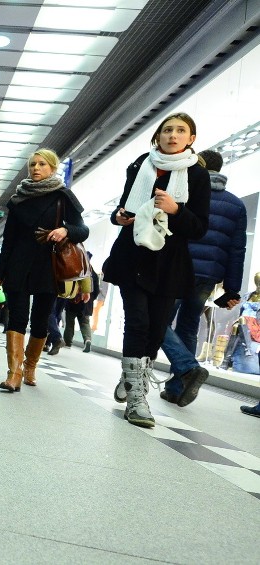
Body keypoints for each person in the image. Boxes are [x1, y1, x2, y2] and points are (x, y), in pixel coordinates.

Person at [103, 112, 211, 428]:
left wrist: (176, 210)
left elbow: (200, 227)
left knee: (155, 327)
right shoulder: (141, 165)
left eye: (180, 131)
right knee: (137, 322)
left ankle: (132, 375)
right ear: (158, 136)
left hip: (170, 263)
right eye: (167, 130)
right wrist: (119, 216)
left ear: (191, 139)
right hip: (133, 255)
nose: (172, 135)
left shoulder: (197, 175)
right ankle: (137, 398)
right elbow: (123, 206)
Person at [0, 148, 89, 392]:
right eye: (33, 165)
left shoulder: (63, 196)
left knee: (40, 319)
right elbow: (9, 240)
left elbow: (82, 230)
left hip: (49, 265)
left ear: (53, 168)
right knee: (17, 317)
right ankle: (13, 373)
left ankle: (30, 366)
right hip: (18, 264)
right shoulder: (18, 199)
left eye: (42, 164)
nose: (36, 168)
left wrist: (66, 230)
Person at [160, 149, 247, 407]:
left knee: (157, 322)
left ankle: (188, 368)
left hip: (178, 268)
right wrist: (231, 289)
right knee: (188, 326)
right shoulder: (236, 205)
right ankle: (177, 388)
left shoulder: (185, 194)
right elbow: (236, 250)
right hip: (207, 277)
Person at [64, 257, 100, 353]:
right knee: (85, 323)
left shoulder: (76, 269)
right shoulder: (94, 274)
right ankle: (87, 340)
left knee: (70, 323)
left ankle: (68, 342)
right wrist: (91, 300)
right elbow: (96, 290)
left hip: (73, 301)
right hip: (86, 303)